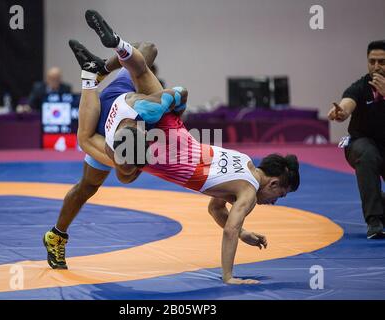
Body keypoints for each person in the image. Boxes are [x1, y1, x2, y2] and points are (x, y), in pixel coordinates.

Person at [44, 11, 300, 285]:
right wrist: (229, 276)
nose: (274, 202)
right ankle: (90, 77)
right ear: (273, 183)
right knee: (118, 169)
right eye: (279, 196)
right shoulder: (247, 193)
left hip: (161, 122)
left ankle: (114, 61)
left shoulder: (245, 161)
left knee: (147, 53)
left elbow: (217, 210)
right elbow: (229, 227)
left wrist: (244, 233)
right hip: (128, 129)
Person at [328, 40, 385, 240]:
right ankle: (375, 221)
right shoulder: (360, 87)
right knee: (367, 154)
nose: (376, 66)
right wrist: (342, 112)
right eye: (372, 61)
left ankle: (380, 203)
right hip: (361, 143)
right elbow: (347, 103)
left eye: (382, 62)